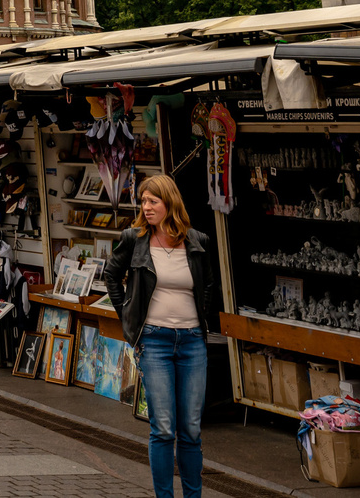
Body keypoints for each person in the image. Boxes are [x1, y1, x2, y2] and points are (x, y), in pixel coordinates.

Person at [101, 174, 226, 498]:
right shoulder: (135, 239)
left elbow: (210, 283)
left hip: (192, 342)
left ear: (169, 203)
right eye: (143, 201)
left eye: (152, 201)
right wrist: (129, 318)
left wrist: (202, 323)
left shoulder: (198, 241)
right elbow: (111, 275)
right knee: (164, 428)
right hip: (153, 341)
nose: (146, 207)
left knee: (191, 430)